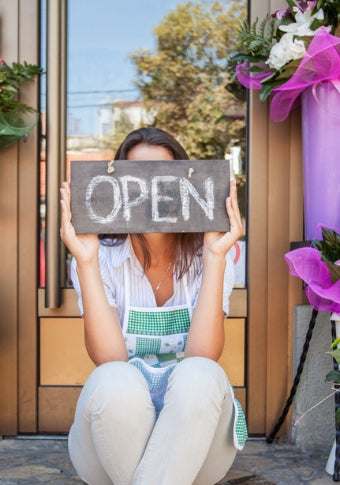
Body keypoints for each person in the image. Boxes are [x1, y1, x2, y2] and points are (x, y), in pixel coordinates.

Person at [59, 127, 246, 485]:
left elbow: (203, 356)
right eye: (135, 177)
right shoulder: (99, 256)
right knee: (115, 379)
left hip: (196, 447)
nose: (151, 188)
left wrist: (214, 257)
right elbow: (108, 360)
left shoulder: (214, 253)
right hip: (110, 446)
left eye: (165, 177)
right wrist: (85, 262)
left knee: (202, 374)